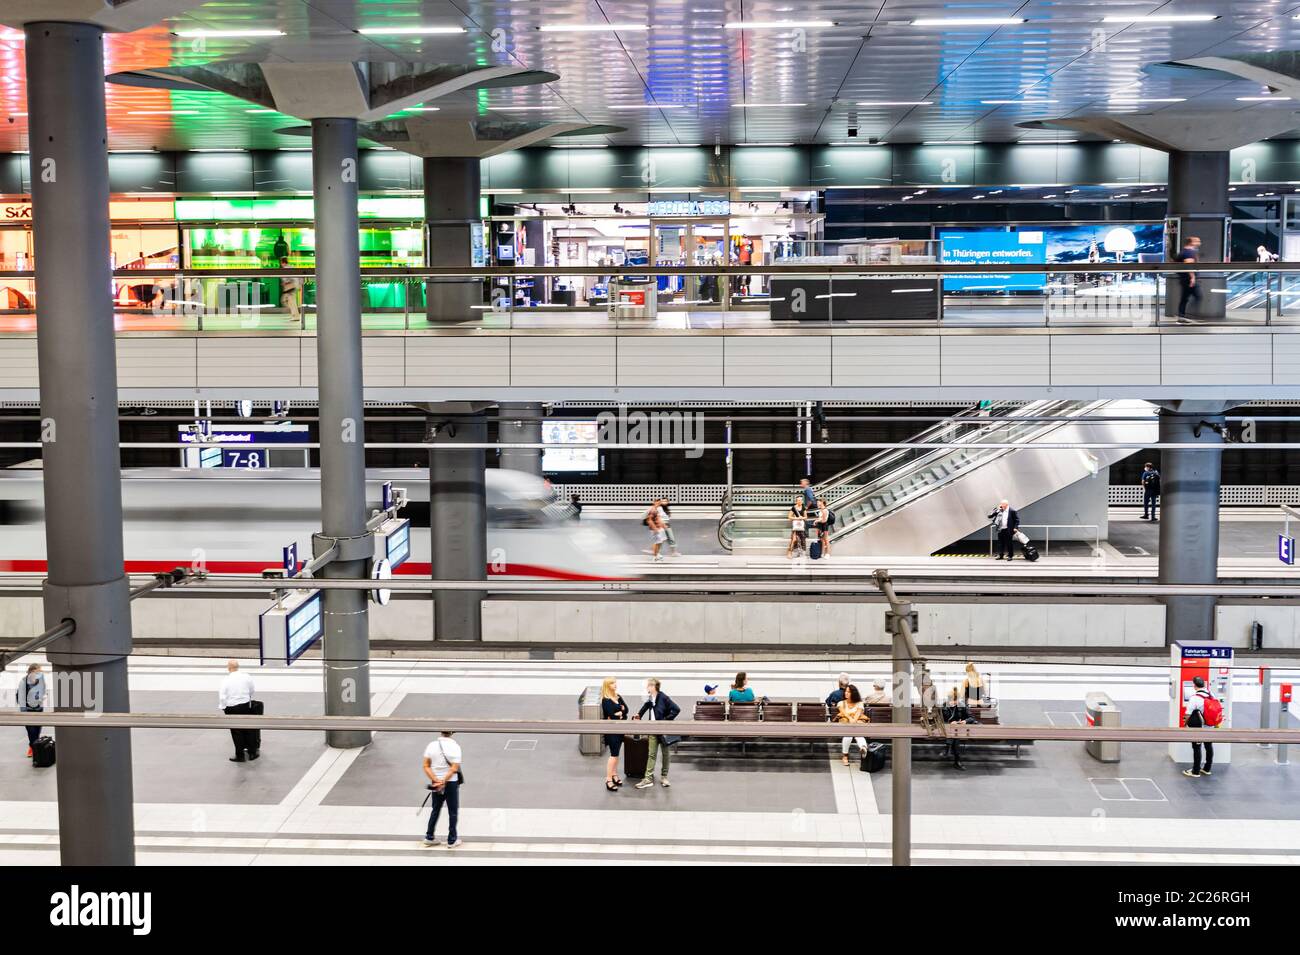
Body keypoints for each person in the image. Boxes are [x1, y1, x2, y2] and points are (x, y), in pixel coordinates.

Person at [633, 678, 681, 789]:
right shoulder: (650, 698)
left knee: (665, 755)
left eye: (648, 686)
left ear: (653, 687)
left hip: (663, 730)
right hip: (652, 730)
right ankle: (648, 779)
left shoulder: (663, 697)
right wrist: (639, 715)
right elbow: (645, 707)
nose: (647, 688)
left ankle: (664, 777)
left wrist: (665, 720)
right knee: (651, 754)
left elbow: (676, 709)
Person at [422, 730, 463, 848]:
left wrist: (436, 780)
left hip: (435, 783)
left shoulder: (431, 745)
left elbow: (426, 765)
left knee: (435, 809)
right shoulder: (455, 747)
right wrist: (444, 781)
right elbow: (454, 768)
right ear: (451, 733)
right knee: (452, 812)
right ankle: (451, 840)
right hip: (451, 783)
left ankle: (429, 837)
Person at [218, 659, 260, 762]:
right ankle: (252, 753)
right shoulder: (246, 677)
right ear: (238, 667)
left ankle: (240, 755)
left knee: (236, 731)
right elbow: (252, 690)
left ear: (229, 668)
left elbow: (222, 696)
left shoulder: (226, 680)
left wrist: (223, 707)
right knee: (248, 728)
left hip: (231, 707)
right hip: (245, 705)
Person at [1183, 676, 1216, 778]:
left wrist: (1184, 724)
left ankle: (1195, 771)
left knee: (1197, 747)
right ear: (1204, 684)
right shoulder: (1211, 694)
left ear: (1194, 685)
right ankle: (1207, 769)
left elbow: (1188, 714)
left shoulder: (1194, 698)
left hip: (1199, 727)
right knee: (1208, 746)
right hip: (1210, 726)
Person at [600, 677, 629, 792]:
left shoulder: (618, 696)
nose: (615, 685)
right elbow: (611, 715)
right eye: (612, 683)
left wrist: (621, 712)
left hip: (620, 729)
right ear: (607, 686)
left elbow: (626, 709)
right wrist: (620, 713)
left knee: (616, 754)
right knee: (613, 754)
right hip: (612, 730)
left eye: (615, 683)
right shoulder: (606, 700)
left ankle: (614, 774)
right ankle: (608, 779)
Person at [941, 687, 976, 771]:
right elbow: (941, 720)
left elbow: (972, 718)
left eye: (955, 700)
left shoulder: (962, 705)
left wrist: (964, 721)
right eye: (952, 700)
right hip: (948, 729)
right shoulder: (944, 706)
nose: (954, 702)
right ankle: (957, 761)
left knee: (955, 735)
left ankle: (947, 748)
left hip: (961, 729)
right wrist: (949, 723)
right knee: (955, 736)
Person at [836, 684, 870, 765]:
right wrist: (851, 719)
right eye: (846, 691)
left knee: (854, 734)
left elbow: (857, 715)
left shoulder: (859, 703)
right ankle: (862, 748)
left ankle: (847, 755)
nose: (846, 693)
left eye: (849, 692)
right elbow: (844, 713)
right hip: (845, 725)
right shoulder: (841, 703)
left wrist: (852, 720)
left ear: (853, 693)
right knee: (850, 734)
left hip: (855, 725)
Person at [16, 663, 44, 757]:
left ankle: (35, 747)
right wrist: (24, 713)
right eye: (38, 671)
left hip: (38, 709)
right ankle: (34, 748)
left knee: (37, 731)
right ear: (32, 671)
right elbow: (20, 698)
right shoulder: (23, 682)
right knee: (31, 731)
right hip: (28, 710)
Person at [1176, 235, 1202, 321]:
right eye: (1197, 241)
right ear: (1191, 242)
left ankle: (1182, 315)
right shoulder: (1188, 253)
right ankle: (1189, 314)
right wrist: (1192, 278)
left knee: (1185, 298)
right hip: (1188, 279)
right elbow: (1189, 265)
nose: (1199, 243)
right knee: (1198, 296)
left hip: (1184, 279)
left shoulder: (1185, 251)